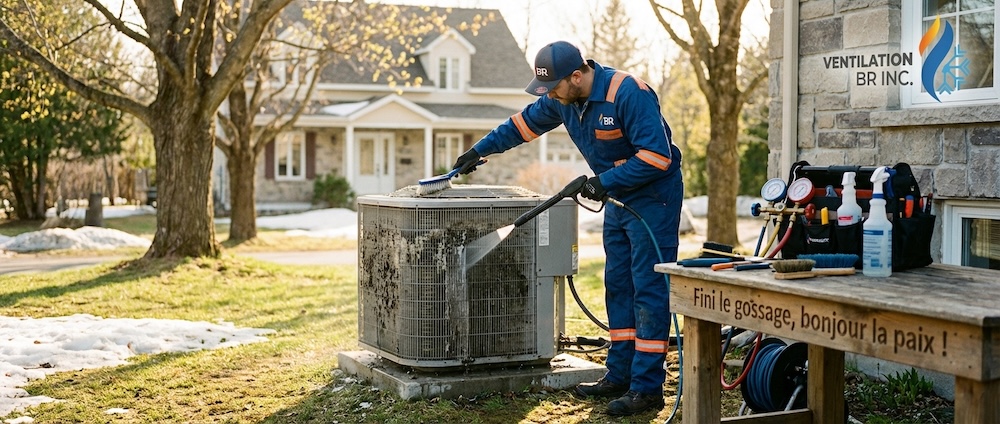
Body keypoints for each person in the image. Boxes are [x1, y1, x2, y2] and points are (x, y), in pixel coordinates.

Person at [451, 40, 683, 416]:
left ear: (577, 76)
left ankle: (647, 389)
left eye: (555, 87)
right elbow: (521, 126)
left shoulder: (628, 93)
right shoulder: (563, 99)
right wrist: (479, 151)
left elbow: (658, 156)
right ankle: (619, 375)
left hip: (654, 198)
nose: (552, 96)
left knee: (648, 289)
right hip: (619, 196)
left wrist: (604, 183)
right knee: (618, 284)